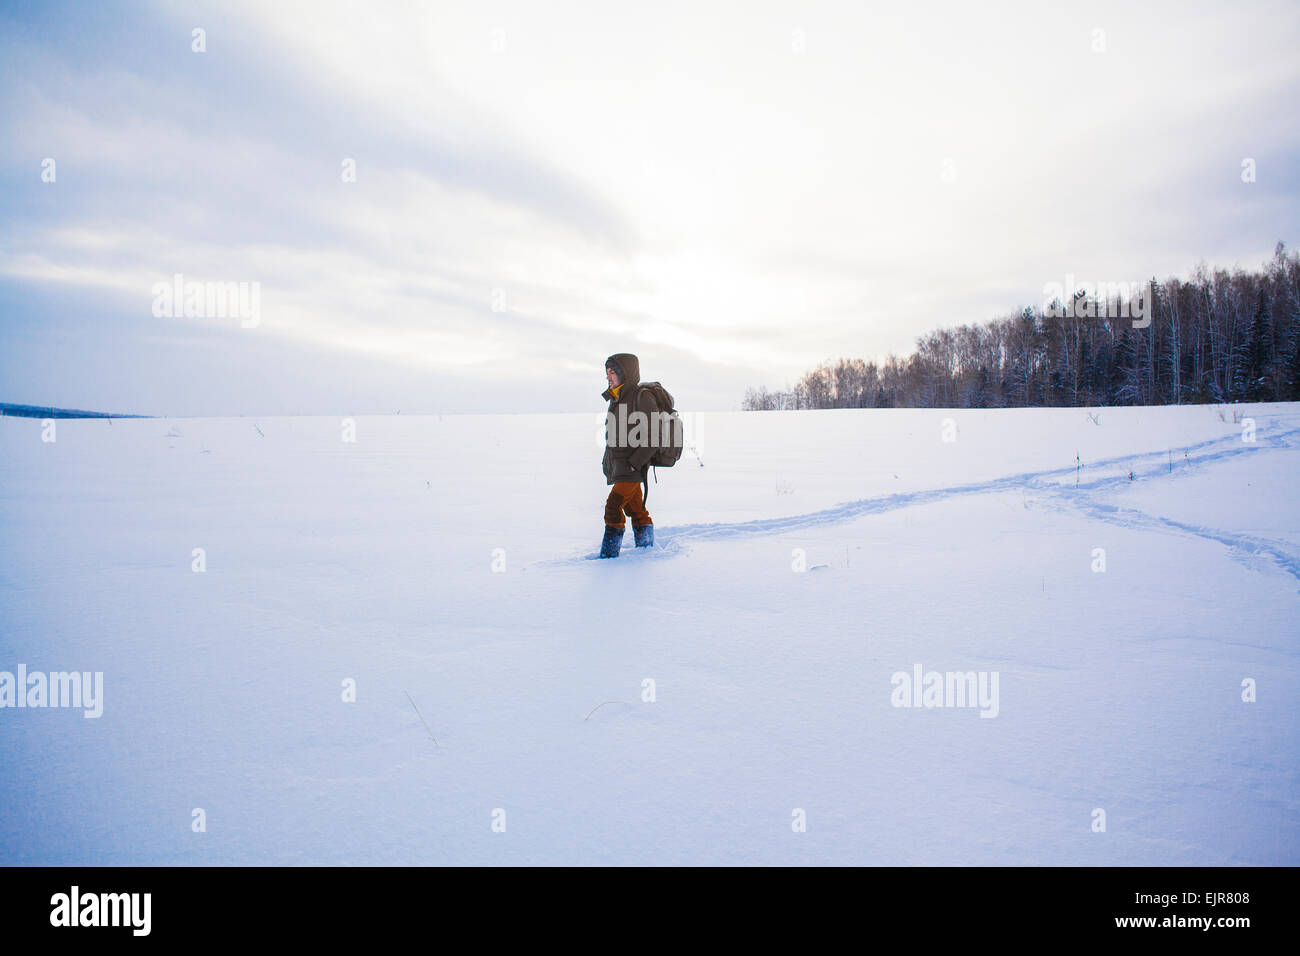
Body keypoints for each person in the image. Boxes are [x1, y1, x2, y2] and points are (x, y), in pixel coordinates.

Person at [599, 353, 657, 558]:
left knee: (613, 507)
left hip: (631, 467)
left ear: (625, 373)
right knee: (636, 509)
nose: (608, 377)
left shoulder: (642, 397)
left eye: (612, 372)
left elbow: (655, 435)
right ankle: (646, 548)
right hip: (621, 466)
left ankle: (609, 556)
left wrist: (635, 463)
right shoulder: (617, 397)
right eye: (607, 372)